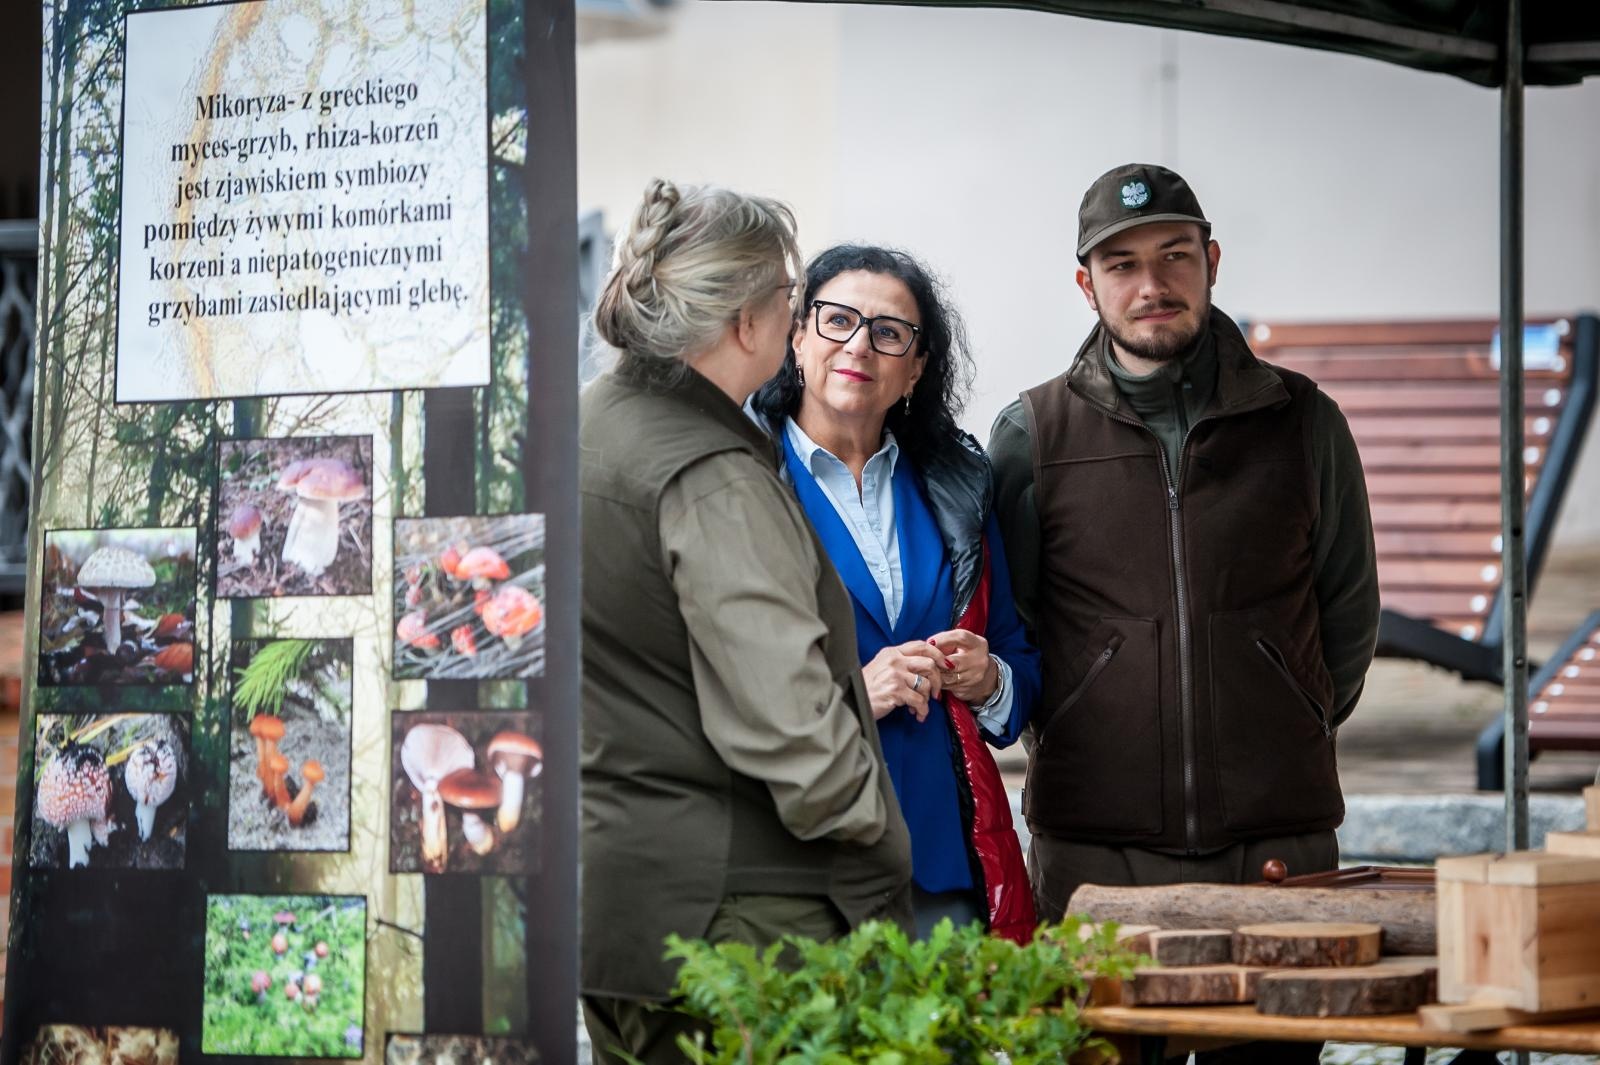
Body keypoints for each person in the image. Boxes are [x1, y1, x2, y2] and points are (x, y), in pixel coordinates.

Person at [989, 162, 1379, 966]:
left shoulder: (1302, 419)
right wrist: (1080, 720)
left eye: (1175, 255)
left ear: (1213, 261)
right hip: (1096, 850)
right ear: (1085, 284)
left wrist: (1288, 708)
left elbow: (1347, 607)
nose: (1152, 284)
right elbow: (1016, 621)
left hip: (1278, 842)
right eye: (1122, 265)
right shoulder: (1034, 433)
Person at [580, 182, 913, 1064]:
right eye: (792, 300)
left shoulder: (579, 428)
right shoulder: (711, 473)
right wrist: (879, 838)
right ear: (748, 324)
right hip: (735, 928)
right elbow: (788, 722)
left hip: (612, 911)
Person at [752, 245, 1040, 941]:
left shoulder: (958, 486)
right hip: (799, 859)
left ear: (915, 368)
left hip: (943, 859)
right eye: (837, 320)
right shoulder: (742, 477)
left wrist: (989, 676)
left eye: (888, 332)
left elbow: (1018, 661)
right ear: (796, 338)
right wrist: (854, 688)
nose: (859, 344)